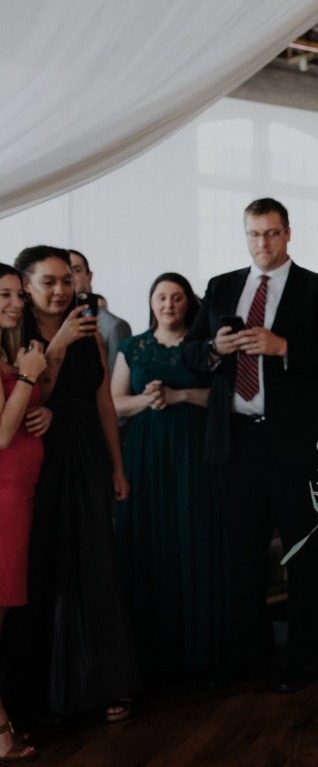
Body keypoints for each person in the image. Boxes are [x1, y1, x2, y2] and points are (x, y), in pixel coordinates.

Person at [182, 198, 318, 693]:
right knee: (242, 555)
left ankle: (303, 659)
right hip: (235, 442)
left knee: (302, 555)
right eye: (255, 234)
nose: (264, 244)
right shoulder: (221, 286)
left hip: (295, 442)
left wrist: (284, 349)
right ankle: (244, 656)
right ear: (245, 235)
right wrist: (216, 349)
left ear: (289, 233)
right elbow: (191, 352)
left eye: (273, 233)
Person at [5, 246, 139, 725]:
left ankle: (105, 683)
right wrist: (57, 342)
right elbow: (32, 393)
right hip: (39, 451)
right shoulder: (13, 333)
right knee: (41, 565)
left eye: (67, 280)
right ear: (25, 285)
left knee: (96, 561)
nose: (61, 290)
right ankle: (37, 688)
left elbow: (104, 400)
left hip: (86, 454)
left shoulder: (90, 330)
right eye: (48, 282)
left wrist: (117, 467)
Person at [112, 273, 224, 681]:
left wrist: (178, 396)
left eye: (177, 297)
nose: (169, 304)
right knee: (149, 538)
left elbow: (223, 397)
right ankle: (146, 651)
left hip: (194, 452)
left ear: (188, 303)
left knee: (192, 536)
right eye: (161, 297)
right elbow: (114, 404)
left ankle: (197, 649)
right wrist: (148, 399)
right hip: (145, 454)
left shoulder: (204, 350)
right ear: (151, 302)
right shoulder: (133, 347)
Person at [0, 263, 46, 765]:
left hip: (20, 492)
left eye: (18, 294)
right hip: (3, 496)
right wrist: (29, 374)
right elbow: (0, 434)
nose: (15, 303)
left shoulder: (9, 350)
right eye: (4, 294)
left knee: (6, 608)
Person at [68, 250, 132, 376]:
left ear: (89, 276)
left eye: (76, 270)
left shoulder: (114, 327)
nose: (69, 277)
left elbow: (116, 384)